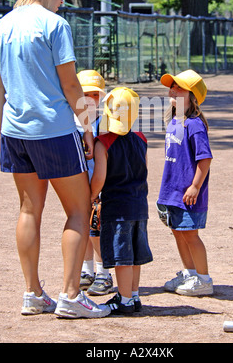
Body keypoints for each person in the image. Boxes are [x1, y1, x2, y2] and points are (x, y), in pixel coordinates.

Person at [0, 0, 110, 319]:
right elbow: (72, 86)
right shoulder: (54, 25)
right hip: (53, 130)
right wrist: (88, 127)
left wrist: (2, 131)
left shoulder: (3, 24)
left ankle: (32, 294)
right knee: (79, 208)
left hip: (15, 132)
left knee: (29, 210)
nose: (63, 0)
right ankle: (71, 295)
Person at [90, 87, 153, 314]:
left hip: (117, 207)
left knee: (122, 257)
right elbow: (144, 168)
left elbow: (99, 178)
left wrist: (91, 196)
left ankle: (124, 299)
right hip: (139, 204)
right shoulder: (141, 137)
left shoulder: (103, 142)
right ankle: (133, 296)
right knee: (134, 255)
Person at [157, 69, 213, 296]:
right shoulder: (173, 121)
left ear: (192, 96)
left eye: (180, 87)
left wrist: (195, 186)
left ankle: (204, 279)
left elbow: (205, 158)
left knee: (190, 234)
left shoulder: (194, 124)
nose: (173, 90)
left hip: (188, 191)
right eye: (173, 86)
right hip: (172, 190)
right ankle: (190, 273)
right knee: (178, 231)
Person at [75, 69, 114, 296]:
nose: (90, 100)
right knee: (82, 229)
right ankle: (87, 270)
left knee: (97, 232)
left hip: (98, 188)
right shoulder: (70, 124)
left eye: (95, 95)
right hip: (77, 187)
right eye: (85, 94)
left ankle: (104, 273)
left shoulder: (105, 123)